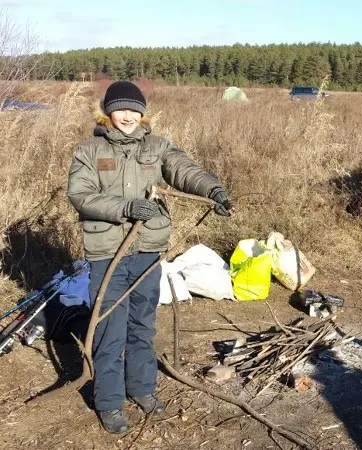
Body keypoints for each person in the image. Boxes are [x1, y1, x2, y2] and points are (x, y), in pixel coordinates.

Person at [67, 80, 234, 433]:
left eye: (134, 110)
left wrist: (214, 189)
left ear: (143, 114)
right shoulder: (89, 150)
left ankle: (141, 388)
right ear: (107, 112)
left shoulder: (158, 147)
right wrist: (126, 207)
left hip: (147, 253)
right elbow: (80, 195)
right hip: (107, 254)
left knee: (142, 325)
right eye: (120, 109)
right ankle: (109, 402)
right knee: (109, 330)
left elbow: (185, 170)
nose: (127, 116)